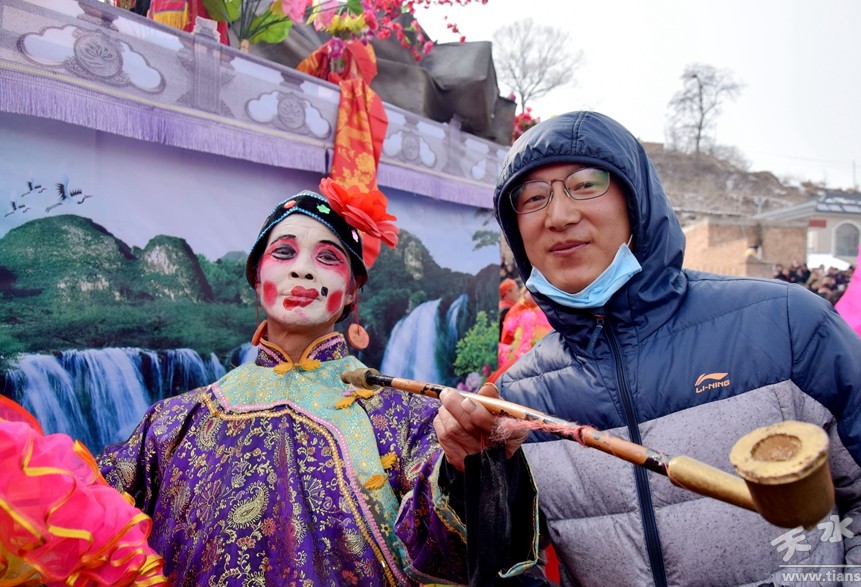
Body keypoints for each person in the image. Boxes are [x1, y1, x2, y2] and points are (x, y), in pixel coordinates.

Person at [490, 111, 861, 586]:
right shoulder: (518, 399)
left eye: (586, 184)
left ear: (637, 200)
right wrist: (467, 473)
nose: (559, 216)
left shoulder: (786, 324)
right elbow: (503, 565)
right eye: (533, 197)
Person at [97, 181, 537, 585]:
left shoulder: (408, 417)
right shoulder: (173, 423)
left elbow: (452, 553)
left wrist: (467, 465)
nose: (303, 270)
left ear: (352, 291)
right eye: (284, 253)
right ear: (257, 277)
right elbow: (92, 518)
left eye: (328, 258)